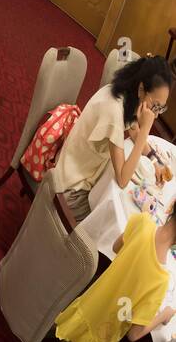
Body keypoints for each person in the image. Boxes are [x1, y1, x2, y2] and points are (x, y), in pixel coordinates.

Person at [1, 206, 175, 342]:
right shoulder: (160, 282)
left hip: (89, 307)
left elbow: (116, 247)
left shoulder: (142, 223)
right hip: (104, 334)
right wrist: (163, 316)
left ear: (171, 206)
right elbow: (134, 333)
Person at [54, 56, 172, 220]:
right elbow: (122, 179)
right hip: (69, 189)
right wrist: (146, 129)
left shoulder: (126, 96)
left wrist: (155, 160)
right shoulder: (114, 111)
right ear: (141, 89)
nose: (156, 115)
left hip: (83, 170)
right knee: (107, 226)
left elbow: (134, 131)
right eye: (156, 106)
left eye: (162, 107)